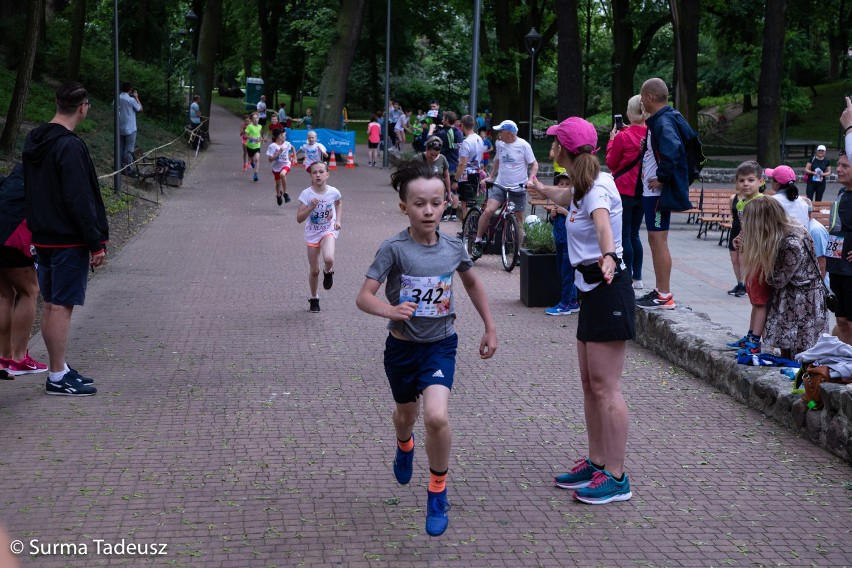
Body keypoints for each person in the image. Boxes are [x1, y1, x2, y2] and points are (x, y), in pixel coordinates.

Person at [355, 159, 497, 536]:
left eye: (436, 202)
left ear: (445, 201)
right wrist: (390, 309)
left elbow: (472, 285)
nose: (430, 210)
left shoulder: (453, 246)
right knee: (406, 416)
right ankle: (404, 445)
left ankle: (437, 489)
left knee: (436, 416)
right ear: (405, 207)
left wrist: (490, 326)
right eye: (420, 204)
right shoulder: (394, 249)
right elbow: (363, 297)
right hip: (401, 348)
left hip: (440, 345)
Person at [527, 117, 634, 505]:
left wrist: (608, 255)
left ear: (563, 150)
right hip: (590, 289)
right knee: (590, 385)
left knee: (607, 387)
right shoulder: (580, 186)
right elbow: (566, 200)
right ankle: (597, 461)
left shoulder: (598, 188)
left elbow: (603, 224)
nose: (550, 147)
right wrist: (541, 189)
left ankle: (617, 477)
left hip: (608, 288)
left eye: (554, 143)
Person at [22, 82, 108, 396]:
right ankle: (57, 375)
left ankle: (60, 366)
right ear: (83, 107)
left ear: (58, 104)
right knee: (61, 306)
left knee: (51, 305)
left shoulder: (35, 138)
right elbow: (79, 197)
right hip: (67, 238)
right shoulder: (69, 146)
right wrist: (95, 241)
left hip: (42, 235)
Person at [739, 197, 827, 360]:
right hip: (795, 296)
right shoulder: (788, 227)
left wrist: (763, 269)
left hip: (800, 300)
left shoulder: (790, 242)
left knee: (797, 350)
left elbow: (778, 279)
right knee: (789, 348)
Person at [636, 78, 687, 310]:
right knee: (654, 240)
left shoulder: (663, 121)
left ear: (649, 97)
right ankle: (659, 290)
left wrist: (662, 177)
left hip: (657, 194)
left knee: (658, 240)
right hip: (652, 193)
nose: (640, 101)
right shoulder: (661, 119)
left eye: (641, 96)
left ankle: (664, 295)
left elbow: (673, 147)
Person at [0, 164, 47, 376]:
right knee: (30, 291)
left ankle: (5, 356)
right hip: (13, 235)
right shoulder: (43, 175)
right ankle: (19, 358)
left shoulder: (18, 172)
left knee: (5, 295)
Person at [471, 120, 538, 260]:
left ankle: (518, 252)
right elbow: (497, 160)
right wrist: (490, 176)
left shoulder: (523, 145)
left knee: (519, 220)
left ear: (509, 132)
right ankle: (477, 241)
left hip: (518, 188)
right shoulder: (500, 144)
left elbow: (534, 164)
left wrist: (531, 179)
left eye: (501, 131)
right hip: (500, 185)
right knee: (489, 210)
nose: (499, 133)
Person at [726, 161, 769, 354]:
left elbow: (765, 231)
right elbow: (747, 229)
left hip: (760, 258)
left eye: (751, 180)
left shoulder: (760, 203)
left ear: (761, 181)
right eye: (741, 180)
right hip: (750, 256)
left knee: (760, 301)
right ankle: (751, 334)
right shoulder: (742, 202)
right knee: (754, 299)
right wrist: (740, 238)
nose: (746, 184)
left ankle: (755, 341)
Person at [605, 94, 647, 290]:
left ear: (630, 112)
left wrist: (612, 140)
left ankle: (627, 273)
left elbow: (611, 163)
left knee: (625, 235)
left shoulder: (623, 136)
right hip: (643, 190)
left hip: (624, 191)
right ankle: (638, 276)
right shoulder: (650, 133)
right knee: (635, 234)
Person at [296, 161, 342, 313]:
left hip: (328, 230)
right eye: (314, 172)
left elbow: (339, 203)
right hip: (312, 234)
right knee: (314, 270)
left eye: (321, 171)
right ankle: (314, 298)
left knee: (329, 258)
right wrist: (310, 207)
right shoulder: (306, 194)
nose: (318, 174)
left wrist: (338, 221)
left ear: (327, 174)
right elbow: (299, 218)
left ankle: (328, 272)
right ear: (310, 176)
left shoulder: (333, 191)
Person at [544, 172, 580, 316]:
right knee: (562, 270)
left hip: (569, 242)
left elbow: (576, 220)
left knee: (567, 272)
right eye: (561, 184)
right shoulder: (558, 202)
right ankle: (572, 301)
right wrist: (553, 216)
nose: (564, 187)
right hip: (559, 239)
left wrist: (564, 212)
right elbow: (556, 223)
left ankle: (565, 303)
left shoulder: (574, 202)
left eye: (567, 184)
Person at [826, 151, 852, 344]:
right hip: (836, 265)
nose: (838, 169)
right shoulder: (842, 192)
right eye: (838, 164)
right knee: (841, 320)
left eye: (845, 166)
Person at [453, 115, 484, 222]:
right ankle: (472, 226)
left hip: (465, 175)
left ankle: (465, 227)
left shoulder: (466, 142)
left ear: (462, 125)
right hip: (476, 174)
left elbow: (462, 163)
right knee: (472, 201)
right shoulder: (479, 138)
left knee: (464, 202)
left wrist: (455, 179)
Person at [414, 137, 451, 207]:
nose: (433, 157)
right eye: (431, 155)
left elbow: (446, 176)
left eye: (436, 155)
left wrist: (449, 193)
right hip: (422, 193)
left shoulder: (442, 158)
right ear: (426, 149)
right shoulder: (417, 159)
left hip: (438, 193)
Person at [118, 82, 142, 173]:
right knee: (129, 149)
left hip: (120, 127)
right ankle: (127, 169)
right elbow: (140, 109)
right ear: (130, 90)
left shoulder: (118, 97)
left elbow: (114, 107)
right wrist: (136, 97)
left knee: (121, 148)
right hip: (130, 128)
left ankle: (120, 166)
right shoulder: (131, 100)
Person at [266, 129, 295, 206]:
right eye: (284, 135)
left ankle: (285, 193)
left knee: (283, 174)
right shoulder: (272, 146)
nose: (285, 137)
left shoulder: (286, 144)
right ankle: (278, 195)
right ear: (280, 136)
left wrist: (294, 157)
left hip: (286, 164)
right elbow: (270, 159)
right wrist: (279, 153)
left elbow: (293, 148)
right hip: (276, 167)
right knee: (278, 184)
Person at [244, 113, 263, 182]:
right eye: (254, 118)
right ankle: (251, 162)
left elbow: (259, 134)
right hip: (250, 146)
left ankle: (255, 174)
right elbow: (245, 135)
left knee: (257, 159)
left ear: (258, 119)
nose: (255, 119)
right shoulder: (249, 126)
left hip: (257, 146)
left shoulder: (260, 126)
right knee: (251, 159)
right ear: (252, 120)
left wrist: (261, 139)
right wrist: (252, 138)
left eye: (256, 118)